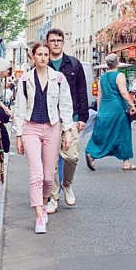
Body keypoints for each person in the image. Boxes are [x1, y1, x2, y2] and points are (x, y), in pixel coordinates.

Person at [13, 41, 74, 234]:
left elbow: (66, 105)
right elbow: (19, 108)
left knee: (48, 177)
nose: (43, 58)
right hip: (30, 127)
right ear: (33, 56)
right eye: (39, 54)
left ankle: (45, 203)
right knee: (36, 174)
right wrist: (18, 135)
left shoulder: (59, 78)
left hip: (52, 127)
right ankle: (39, 215)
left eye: (46, 54)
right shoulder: (25, 80)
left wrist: (68, 130)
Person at [45, 28, 89, 213]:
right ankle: (53, 197)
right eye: (52, 40)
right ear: (47, 43)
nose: (56, 43)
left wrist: (83, 117)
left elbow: (81, 91)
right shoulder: (43, 63)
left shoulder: (73, 64)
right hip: (48, 119)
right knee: (51, 160)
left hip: (70, 118)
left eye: (59, 40)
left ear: (63, 42)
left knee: (72, 156)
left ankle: (67, 184)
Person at [85, 53, 136, 170]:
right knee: (123, 133)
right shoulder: (119, 75)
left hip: (105, 107)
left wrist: (99, 110)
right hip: (117, 108)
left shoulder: (102, 77)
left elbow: (99, 94)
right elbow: (123, 92)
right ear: (117, 62)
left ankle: (91, 152)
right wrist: (131, 104)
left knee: (101, 132)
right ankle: (126, 162)